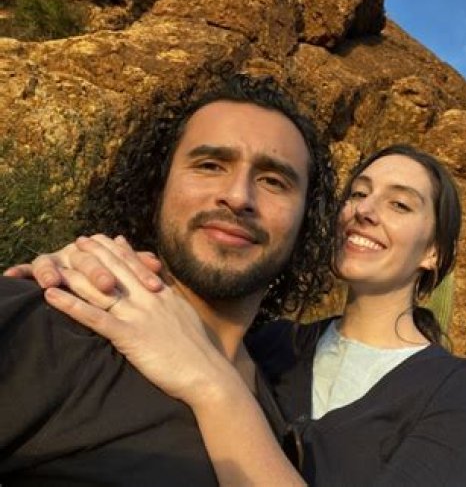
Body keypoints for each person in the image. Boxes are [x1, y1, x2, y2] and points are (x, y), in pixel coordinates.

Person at [8, 145, 466, 485]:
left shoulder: (462, 391)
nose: (364, 210)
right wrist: (89, 269)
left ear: (433, 254)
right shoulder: (269, 346)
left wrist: (216, 390)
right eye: (358, 193)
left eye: (399, 204)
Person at [0, 74, 337, 485]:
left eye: (273, 181)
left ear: (305, 223)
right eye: (210, 165)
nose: (238, 197)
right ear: (158, 189)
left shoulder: (285, 403)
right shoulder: (57, 321)